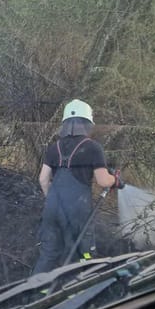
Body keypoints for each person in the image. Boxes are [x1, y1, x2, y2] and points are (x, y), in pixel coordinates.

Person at [31, 99, 118, 275]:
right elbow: (103, 181)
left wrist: (53, 200)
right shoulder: (93, 148)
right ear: (87, 123)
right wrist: (115, 180)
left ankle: (35, 295)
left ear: (65, 123)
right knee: (82, 254)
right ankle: (76, 293)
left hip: (53, 209)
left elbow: (42, 179)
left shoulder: (53, 148)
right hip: (78, 212)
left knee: (49, 253)